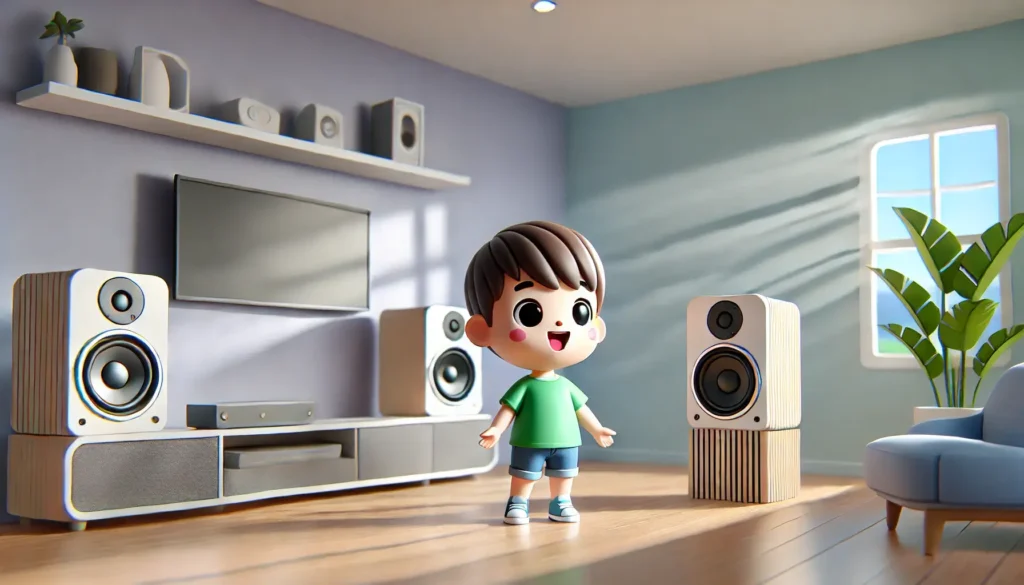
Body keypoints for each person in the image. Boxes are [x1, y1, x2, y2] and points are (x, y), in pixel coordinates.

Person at [463, 220, 615, 525]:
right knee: (525, 473)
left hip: (566, 441)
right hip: (529, 441)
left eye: (580, 311)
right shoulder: (526, 387)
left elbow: (581, 409)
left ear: (596, 327)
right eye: (530, 313)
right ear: (483, 330)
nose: (560, 326)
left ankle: (561, 502)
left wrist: (596, 429)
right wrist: (496, 429)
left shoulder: (565, 386)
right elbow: (508, 409)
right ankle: (517, 502)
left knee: (564, 474)